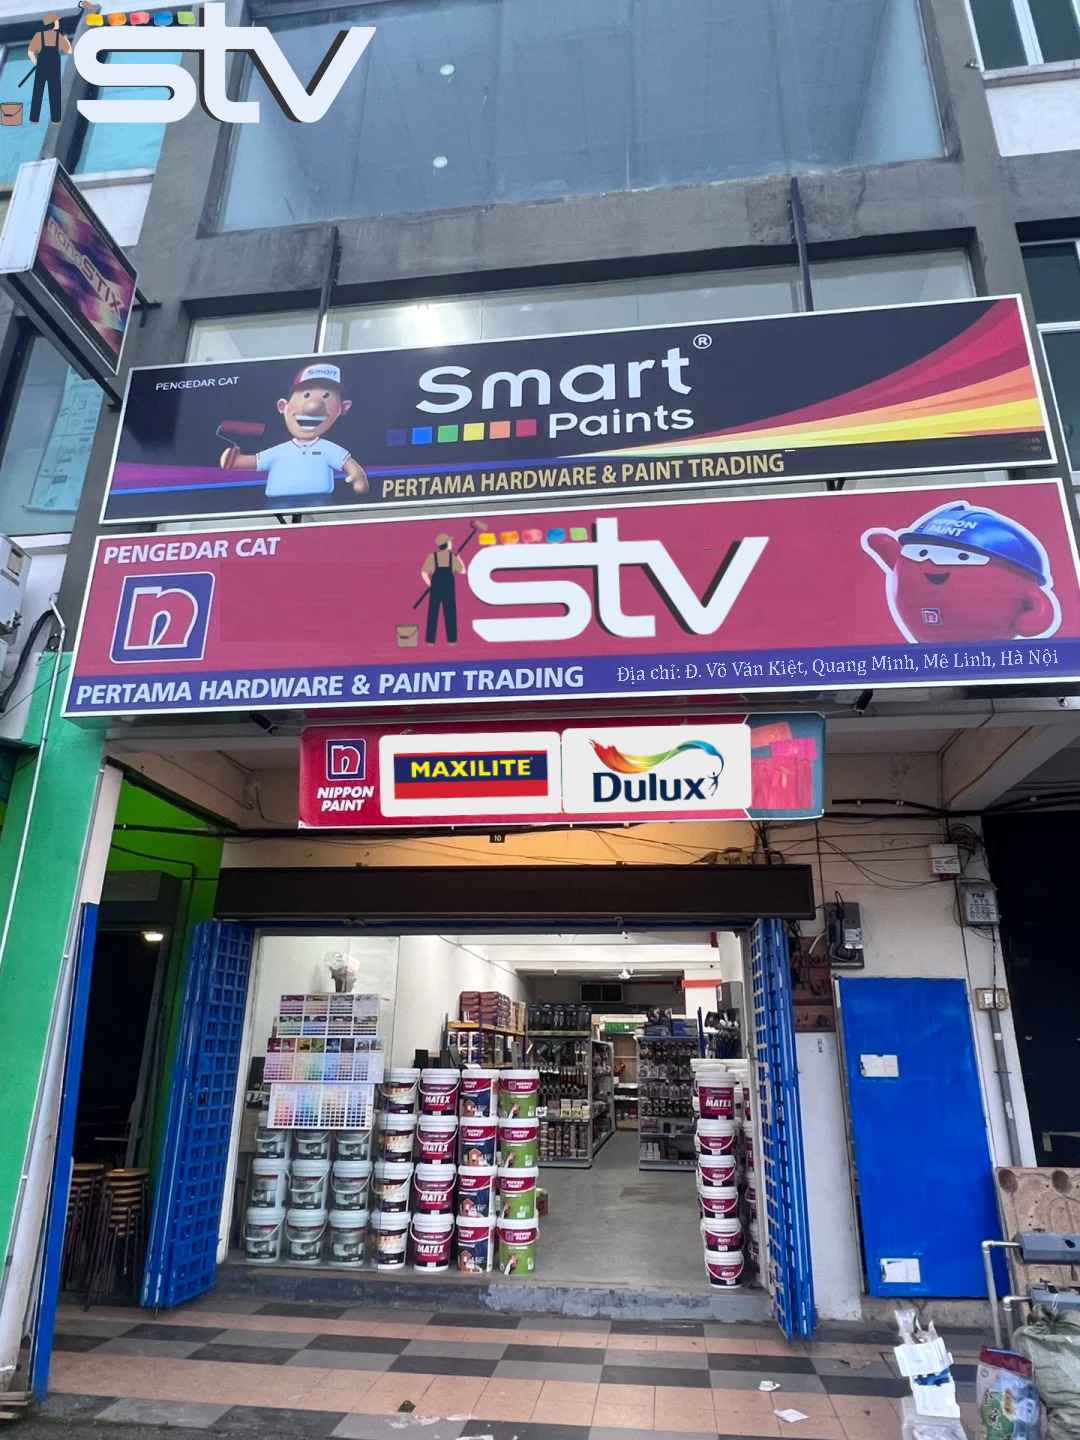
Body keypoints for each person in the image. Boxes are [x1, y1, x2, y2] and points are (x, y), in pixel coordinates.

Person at [220, 363, 368, 502]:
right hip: (277, 501)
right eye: (306, 395)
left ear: (343, 407)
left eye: (326, 395)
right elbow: (257, 462)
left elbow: (349, 465)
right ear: (283, 406)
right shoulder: (281, 450)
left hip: (318, 499)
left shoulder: (326, 448)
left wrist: (358, 477)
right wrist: (234, 460)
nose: (313, 406)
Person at [421, 533, 466, 645]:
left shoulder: (432, 557)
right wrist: (459, 560)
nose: (451, 542)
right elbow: (463, 571)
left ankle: (430, 640)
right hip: (448, 590)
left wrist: (430, 585)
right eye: (449, 541)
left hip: (436, 589)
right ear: (446, 544)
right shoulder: (452, 557)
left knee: (433, 614)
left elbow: (424, 573)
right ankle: (452, 640)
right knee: (450, 614)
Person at [28, 13, 71, 125]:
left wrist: (36, 62)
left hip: (42, 67)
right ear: (53, 23)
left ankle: (34, 118)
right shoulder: (59, 36)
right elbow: (69, 51)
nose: (58, 22)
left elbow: (30, 52)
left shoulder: (39, 36)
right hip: (53, 68)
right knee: (54, 93)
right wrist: (66, 39)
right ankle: (56, 119)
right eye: (56, 21)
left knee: (38, 92)